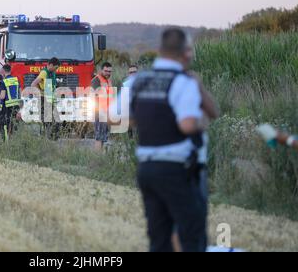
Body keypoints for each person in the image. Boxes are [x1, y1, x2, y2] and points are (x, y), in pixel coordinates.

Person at [128, 28, 219, 252]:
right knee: (191, 233)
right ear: (187, 53)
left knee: (159, 237)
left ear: (159, 51)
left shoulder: (139, 80)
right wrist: (201, 122)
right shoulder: (184, 82)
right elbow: (190, 123)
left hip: (146, 168)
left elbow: (119, 118)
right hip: (179, 168)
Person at [31, 57, 61, 140]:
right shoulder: (44, 72)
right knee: (48, 122)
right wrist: (40, 92)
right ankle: (48, 140)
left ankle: (52, 139)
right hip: (44, 100)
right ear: (51, 65)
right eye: (56, 68)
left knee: (56, 121)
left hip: (50, 100)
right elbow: (33, 84)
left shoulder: (52, 73)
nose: (56, 70)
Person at [91, 62, 115, 151]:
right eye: (106, 71)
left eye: (109, 71)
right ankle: (97, 158)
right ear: (101, 70)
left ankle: (100, 157)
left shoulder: (108, 81)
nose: (108, 73)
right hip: (99, 112)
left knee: (104, 137)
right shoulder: (96, 80)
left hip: (107, 112)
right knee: (99, 137)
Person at [0, 65, 21, 141]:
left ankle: (6, 142)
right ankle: (15, 140)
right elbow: (19, 93)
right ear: (10, 71)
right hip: (17, 106)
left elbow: (2, 96)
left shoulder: (3, 82)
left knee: (6, 125)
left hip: (7, 106)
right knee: (15, 124)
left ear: (3, 71)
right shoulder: (16, 80)